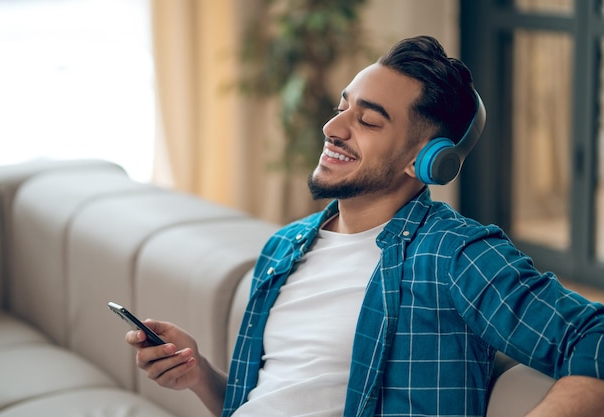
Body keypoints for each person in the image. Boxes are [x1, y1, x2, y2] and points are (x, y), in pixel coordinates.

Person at [126, 35, 604, 417]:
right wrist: (197, 375)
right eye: (343, 106)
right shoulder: (283, 248)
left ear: (429, 161)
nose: (333, 128)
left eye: (368, 121)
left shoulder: (454, 255)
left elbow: (593, 336)